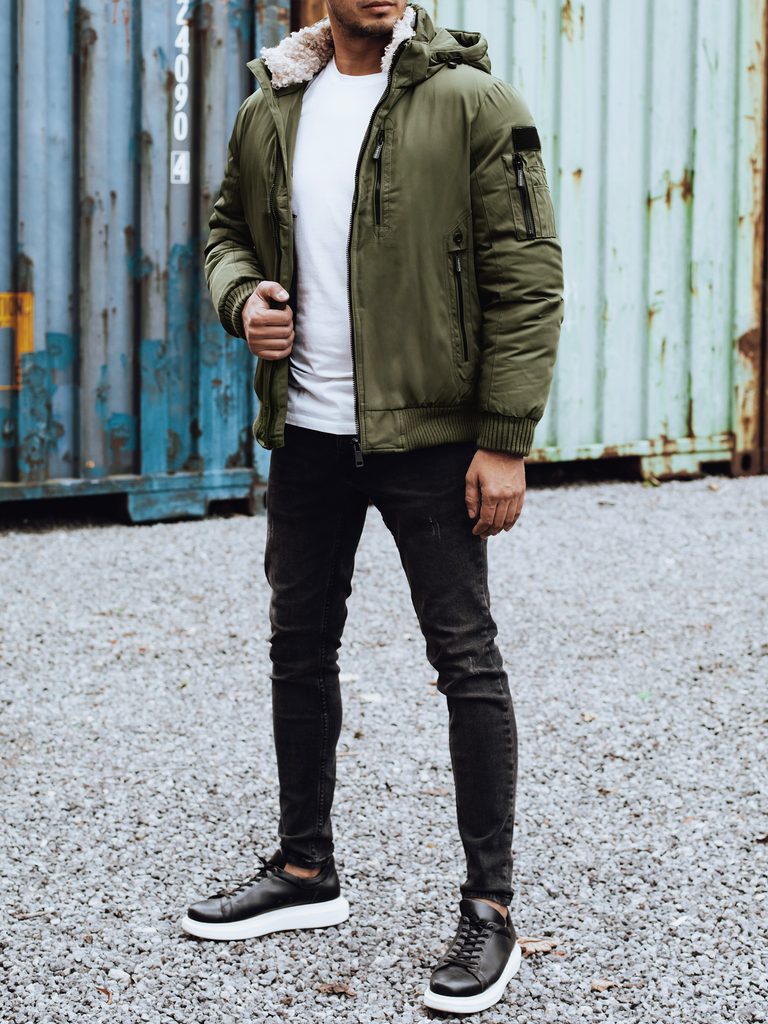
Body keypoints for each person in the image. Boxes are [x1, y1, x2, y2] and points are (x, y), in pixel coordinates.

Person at [182, 0, 563, 1014]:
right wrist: (243, 299)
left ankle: (489, 908)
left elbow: (528, 277)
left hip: (432, 438)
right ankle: (306, 869)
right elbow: (226, 234)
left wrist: (504, 439)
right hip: (308, 432)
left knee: (465, 659)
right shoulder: (272, 105)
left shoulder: (474, 102)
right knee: (298, 645)